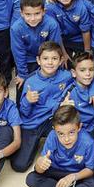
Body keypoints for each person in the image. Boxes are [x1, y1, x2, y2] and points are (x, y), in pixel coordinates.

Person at [24, 105, 94, 187]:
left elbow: (90, 170)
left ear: (79, 127)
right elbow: (39, 169)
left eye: (71, 132)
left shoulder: (87, 142)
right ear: (54, 130)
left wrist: (73, 177)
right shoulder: (52, 137)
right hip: (56, 172)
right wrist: (40, 164)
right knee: (31, 179)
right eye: (61, 134)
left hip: (77, 176)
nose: (66, 139)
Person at [12, 41, 73, 172]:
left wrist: (64, 104)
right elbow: (24, 113)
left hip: (52, 120)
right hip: (32, 123)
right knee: (19, 165)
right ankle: (27, 144)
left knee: (66, 141)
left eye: (54, 58)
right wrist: (28, 100)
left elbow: (83, 81)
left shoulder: (66, 76)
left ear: (61, 60)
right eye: (45, 58)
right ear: (38, 61)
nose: (50, 62)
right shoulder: (31, 82)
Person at [10, 0, 63, 85]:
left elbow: (54, 49)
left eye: (37, 13)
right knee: (24, 89)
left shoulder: (52, 24)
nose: (33, 18)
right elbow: (18, 53)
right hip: (27, 62)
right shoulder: (16, 28)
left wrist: (52, 69)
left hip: (47, 60)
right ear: (21, 13)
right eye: (28, 14)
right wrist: (22, 74)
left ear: (43, 11)